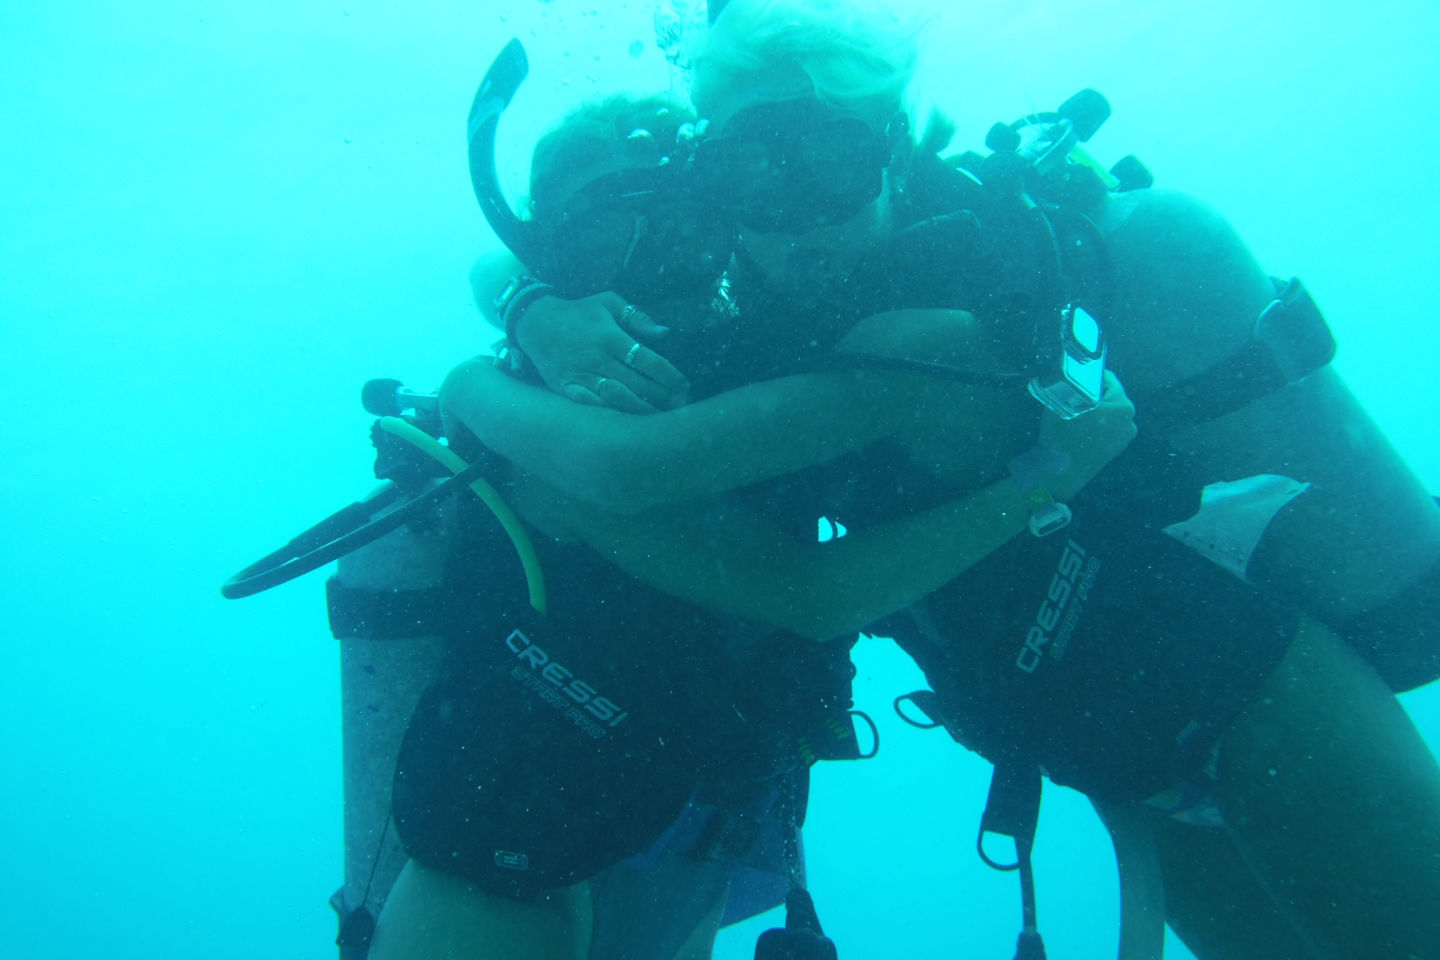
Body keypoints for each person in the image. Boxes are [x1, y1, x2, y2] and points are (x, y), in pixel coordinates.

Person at [465, 1, 1440, 957]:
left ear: (892, 151)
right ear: (712, 190)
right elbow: (533, 253)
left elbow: (649, 481)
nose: (802, 220)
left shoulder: (949, 315)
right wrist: (529, 303)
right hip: (1117, 758)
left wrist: (485, 368)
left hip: (1263, 693)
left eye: (833, 162)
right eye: (753, 176)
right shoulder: (767, 332)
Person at [366, 91, 1138, 960]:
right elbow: (798, 585)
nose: (650, 266)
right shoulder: (529, 409)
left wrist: (522, 302)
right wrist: (1045, 477)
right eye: (601, 239)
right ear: (553, 254)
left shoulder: (765, 348)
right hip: (507, 822)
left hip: (694, 810)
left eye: (680, 229)